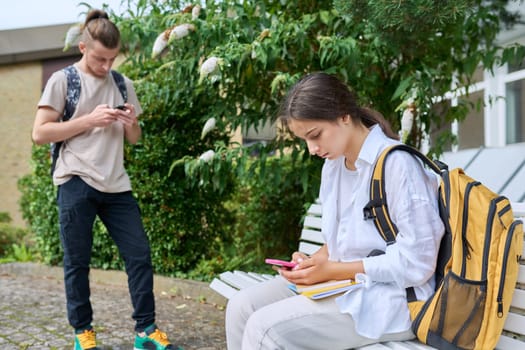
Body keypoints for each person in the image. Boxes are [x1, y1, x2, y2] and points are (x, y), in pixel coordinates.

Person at [224, 72, 445, 349]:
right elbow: (343, 242)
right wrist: (311, 263)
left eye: (315, 135)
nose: (312, 149)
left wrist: (335, 270)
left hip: (392, 300)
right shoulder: (335, 167)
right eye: (304, 139)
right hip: (343, 287)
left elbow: (418, 263)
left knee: (264, 328)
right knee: (240, 307)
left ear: (343, 115)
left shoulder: (397, 164)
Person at [32, 9, 180, 350]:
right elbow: (40, 133)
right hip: (75, 179)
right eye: (100, 59)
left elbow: (135, 139)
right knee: (77, 262)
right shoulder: (62, 80)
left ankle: (145, 330)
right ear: (83, 47)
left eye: (112, 59)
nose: (106, 67)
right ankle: (83, 332)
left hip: (116, 184)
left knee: (139, 254)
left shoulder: (121, 83)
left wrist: (130, 124)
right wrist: (89, 120)